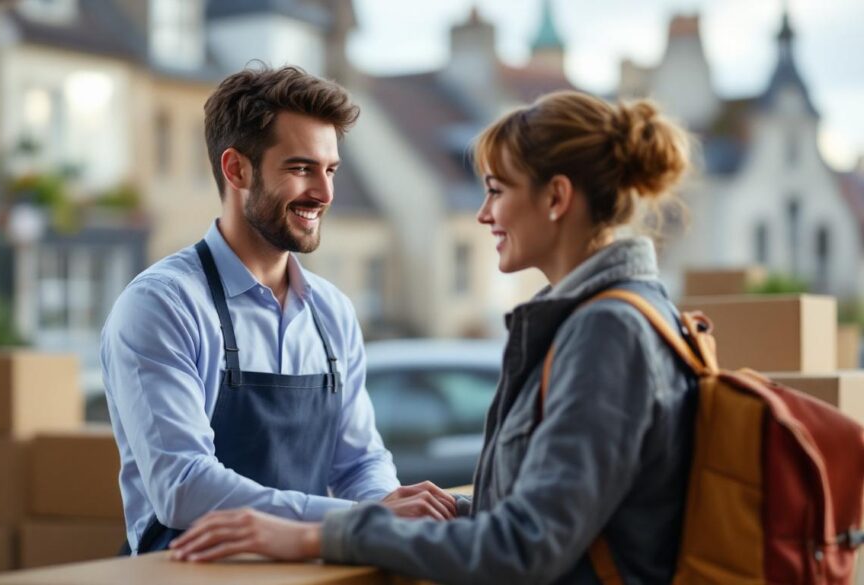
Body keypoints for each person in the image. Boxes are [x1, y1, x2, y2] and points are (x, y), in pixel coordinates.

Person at [166, 90, 698, 584]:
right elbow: (549, 519)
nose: (483, 213)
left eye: (496, 190)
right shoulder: (600, 320)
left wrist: (314, 535)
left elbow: (526, 545)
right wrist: (426, 511)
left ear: (557, 197)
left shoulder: (609, 331)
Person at [100, 65, 457, 556]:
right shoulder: (164, 305)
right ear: (236, 169)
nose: (325, 194)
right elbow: (182, 486)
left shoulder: (331, 312)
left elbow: (358, 463)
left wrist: (383, 510)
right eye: (300, 168)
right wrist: (358, 519)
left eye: (330, 170)